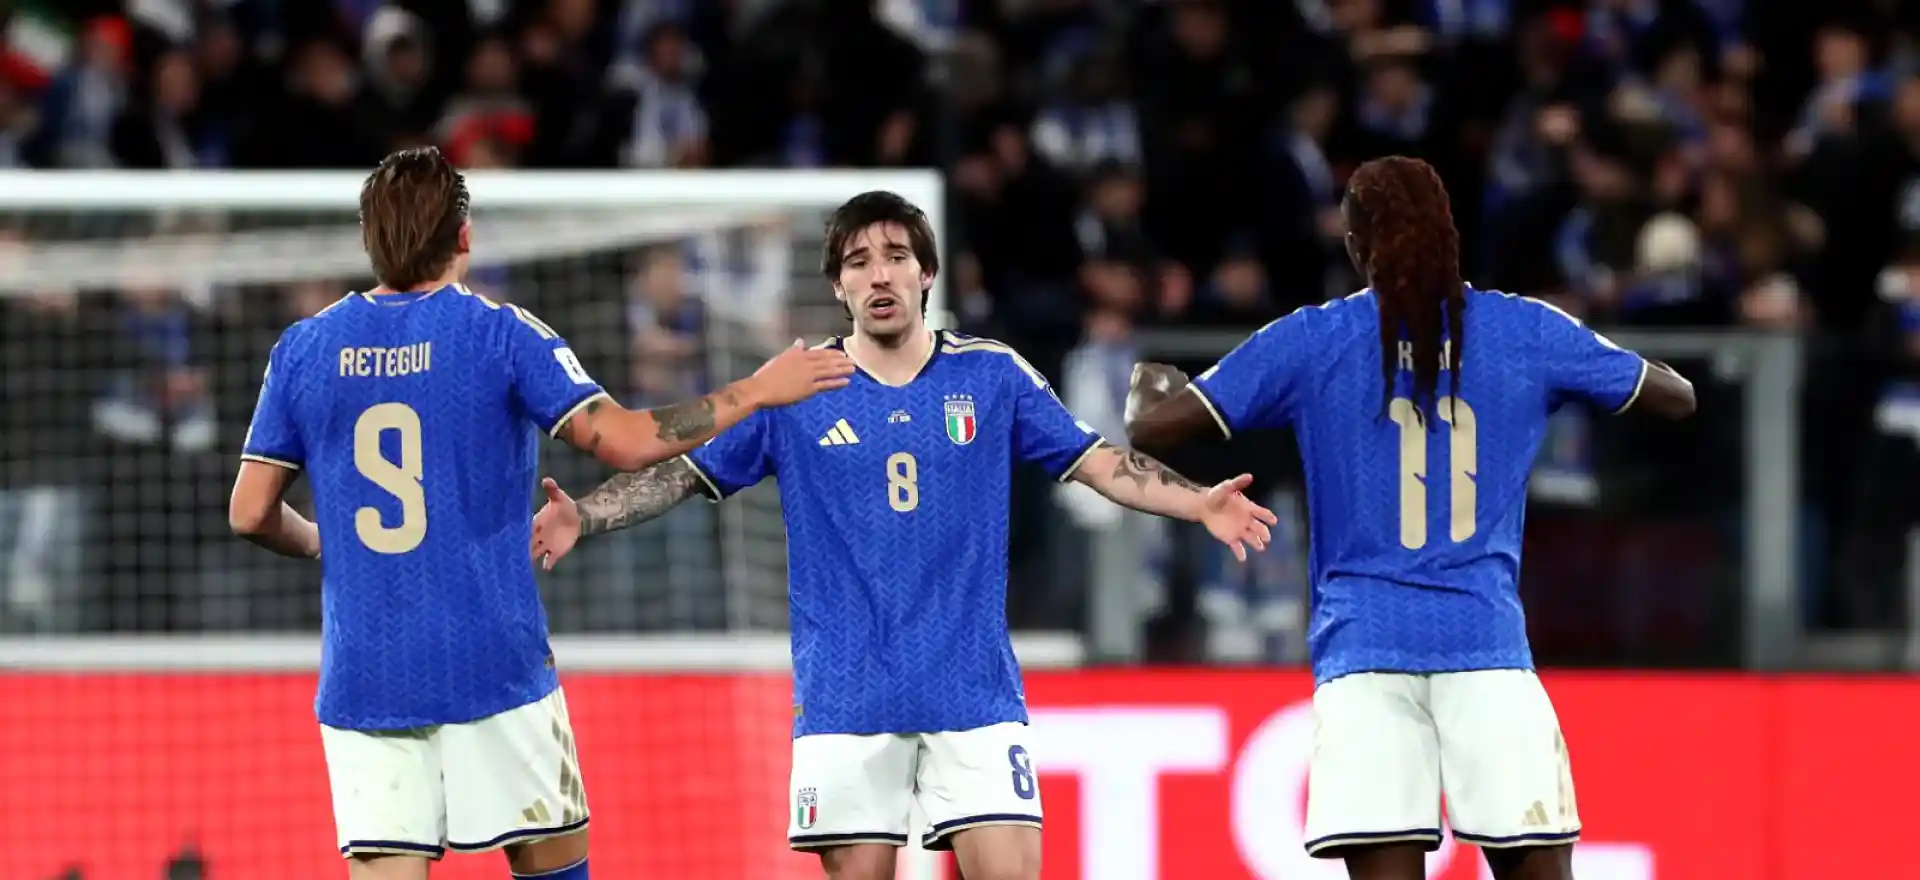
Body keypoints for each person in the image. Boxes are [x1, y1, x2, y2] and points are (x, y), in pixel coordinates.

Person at [527, 191, 1277, 880]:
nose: (878, 275)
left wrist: (1198, 503)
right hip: (846, 695)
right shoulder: (798, 388)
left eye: (895, 257)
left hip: (973, 690)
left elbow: (1100, 464)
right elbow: (683, 474)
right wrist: (585, 513)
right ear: (837, 286)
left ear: (927, 273)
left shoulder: (992, 375)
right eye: (859, 262)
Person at [225, 146, 853, 880]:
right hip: (491, 660)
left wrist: (320, 542)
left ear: (370, 240)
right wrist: (754, 389)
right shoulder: (500, 335)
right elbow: (623, 440)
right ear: (464, 236)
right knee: (551, 862)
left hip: (368, 670)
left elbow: (248, 512)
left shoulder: (304, 348)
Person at [1125, 156, 1696, 880]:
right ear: (1447, 234)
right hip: (1487, 647)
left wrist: (1149, 384)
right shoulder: (1525, 329)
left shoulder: (1312, 338)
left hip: (1363, 653)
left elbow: (1153, 427)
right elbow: (1674, 396)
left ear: (1357, 245)